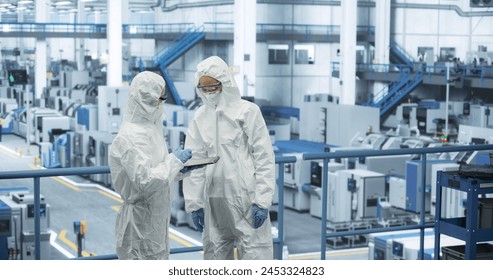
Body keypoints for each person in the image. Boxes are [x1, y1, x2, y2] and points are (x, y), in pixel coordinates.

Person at [183, 56, 276, 260]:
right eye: (204, 88)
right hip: (214, 198)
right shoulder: (200, 116)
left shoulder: (248, 112)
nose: (209, 92)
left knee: (255, 254)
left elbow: (264, 157)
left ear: (224, 83)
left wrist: (262, 200)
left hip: (246, 197)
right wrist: (194, 203)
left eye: (213, 86)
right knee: (215, 253)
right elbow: (195, 161)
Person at [109, 71, 195, 260]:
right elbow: (145, 180)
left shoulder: (151, 129)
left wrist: (178, 169)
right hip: (138, 225)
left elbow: (159, 168)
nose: (160, 104)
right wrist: (174, 161)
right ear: (145, 99)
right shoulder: (128, 136)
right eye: (158, 99)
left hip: (155, 220)